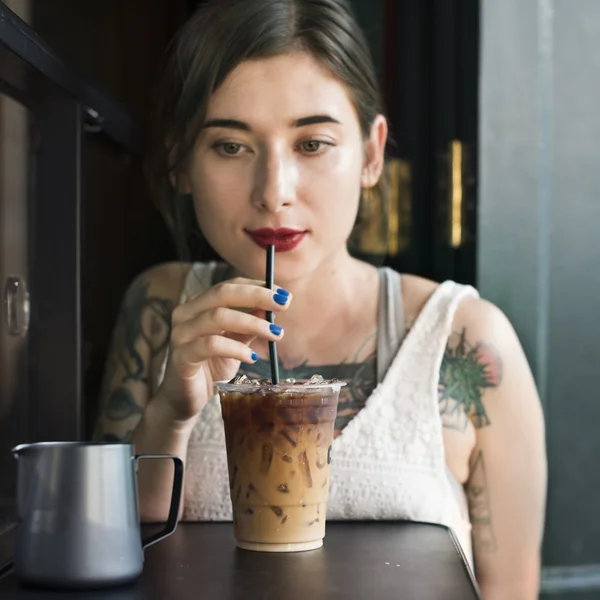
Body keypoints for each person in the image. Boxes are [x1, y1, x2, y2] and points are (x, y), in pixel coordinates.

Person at [93, 0, 547, 597]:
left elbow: (509, 589)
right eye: (230, 146)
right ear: (180, 160)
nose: (274, 192)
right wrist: (172, 412)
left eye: (311, 144)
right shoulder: (158, 309)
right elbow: (113, 557)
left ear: (371, 152)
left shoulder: (467, 341)